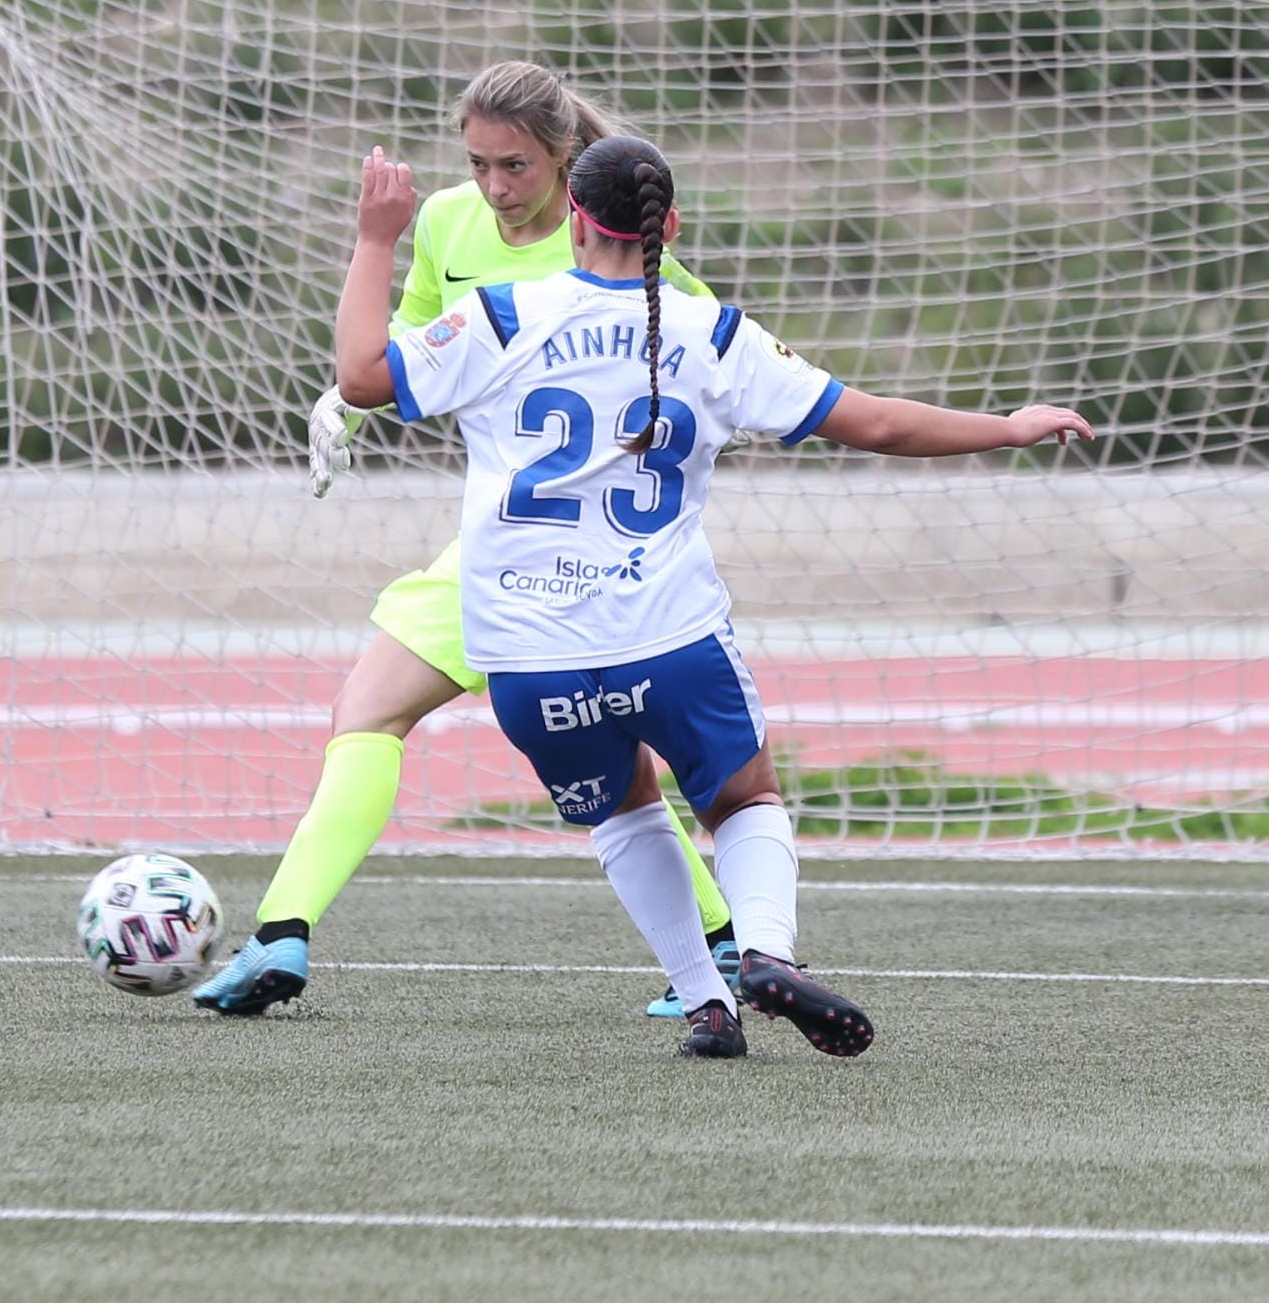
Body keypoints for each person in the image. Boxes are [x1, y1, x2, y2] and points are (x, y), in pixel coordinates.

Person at [327, 134, 1094, 1058]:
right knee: (743, 801)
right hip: (668, 635)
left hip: (525, 650)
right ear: (669, 227)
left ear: (573, 220)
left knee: (624, 809)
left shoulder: (498, 317)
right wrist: (1007, 429)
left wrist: (378, 239)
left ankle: (706, 1007)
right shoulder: (711, 331)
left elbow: (363, 378)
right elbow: (880, 424)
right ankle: (765, 952)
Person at [193, 63, 736, 1018]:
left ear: (568, 161)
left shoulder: (624, 245)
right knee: (368, 715)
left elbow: (704, 364)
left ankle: (725, 949)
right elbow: (405, 336)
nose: (494, 187)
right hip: (494, 549)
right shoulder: (446, 221)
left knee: (619, 780)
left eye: (516, 166)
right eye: (479, 164)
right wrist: (347, 407)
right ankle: (280, 938)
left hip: (592, 564)